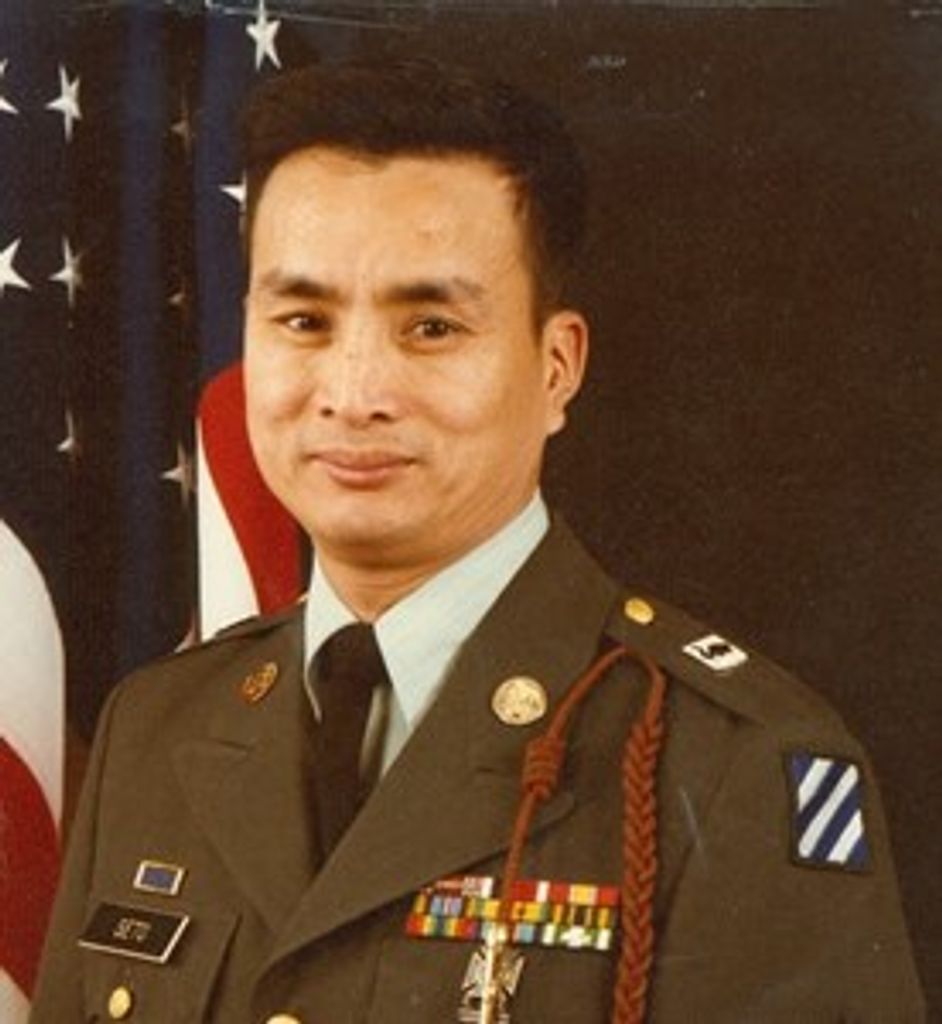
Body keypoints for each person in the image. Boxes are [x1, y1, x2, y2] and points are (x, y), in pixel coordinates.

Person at [32, 60, 924, 1023]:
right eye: (304, 320)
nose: (353, 393)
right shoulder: (156, 730)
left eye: (430, 326)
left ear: (556, 367)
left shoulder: (735, 766)